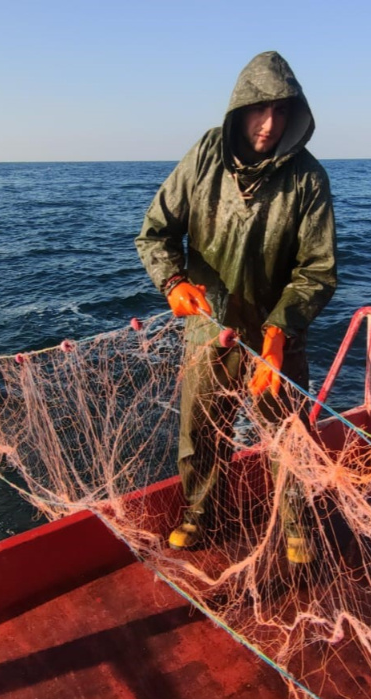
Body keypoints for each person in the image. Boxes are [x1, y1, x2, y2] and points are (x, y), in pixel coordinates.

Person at [134, 51, 337, 564]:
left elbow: (317, 269)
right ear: (239, 109)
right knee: (200, 431)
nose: (269, 125)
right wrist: (173, 281)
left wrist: (278, 331)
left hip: (276, 338)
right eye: (258, 110)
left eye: (281, 113)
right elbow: (155, 232)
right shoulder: (205, 155)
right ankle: (201, 514)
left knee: (288, 434)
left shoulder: (308, 179)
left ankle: (297, 522)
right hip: (209, 327)